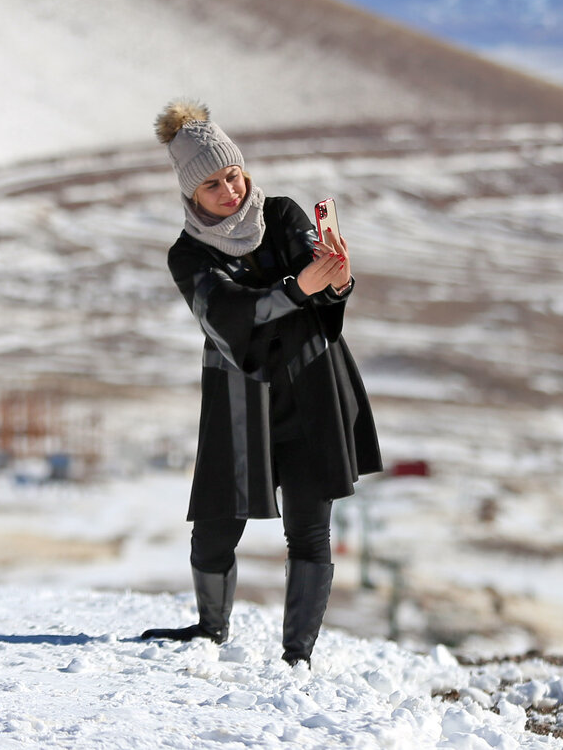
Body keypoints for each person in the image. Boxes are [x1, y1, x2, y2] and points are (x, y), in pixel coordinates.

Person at [141, 99, 382, 667]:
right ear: (190, 194)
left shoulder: (282, 213)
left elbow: (321, 284)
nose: (229, 191)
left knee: (310, 525)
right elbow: (227, 314)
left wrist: (337, 281)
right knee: (216, 522)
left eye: (233, 175)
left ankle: (297, 653)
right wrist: (299, 289)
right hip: (239, 399)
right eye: (212, 186)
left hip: (313, 386)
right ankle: (209, 628)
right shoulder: (187, 254)